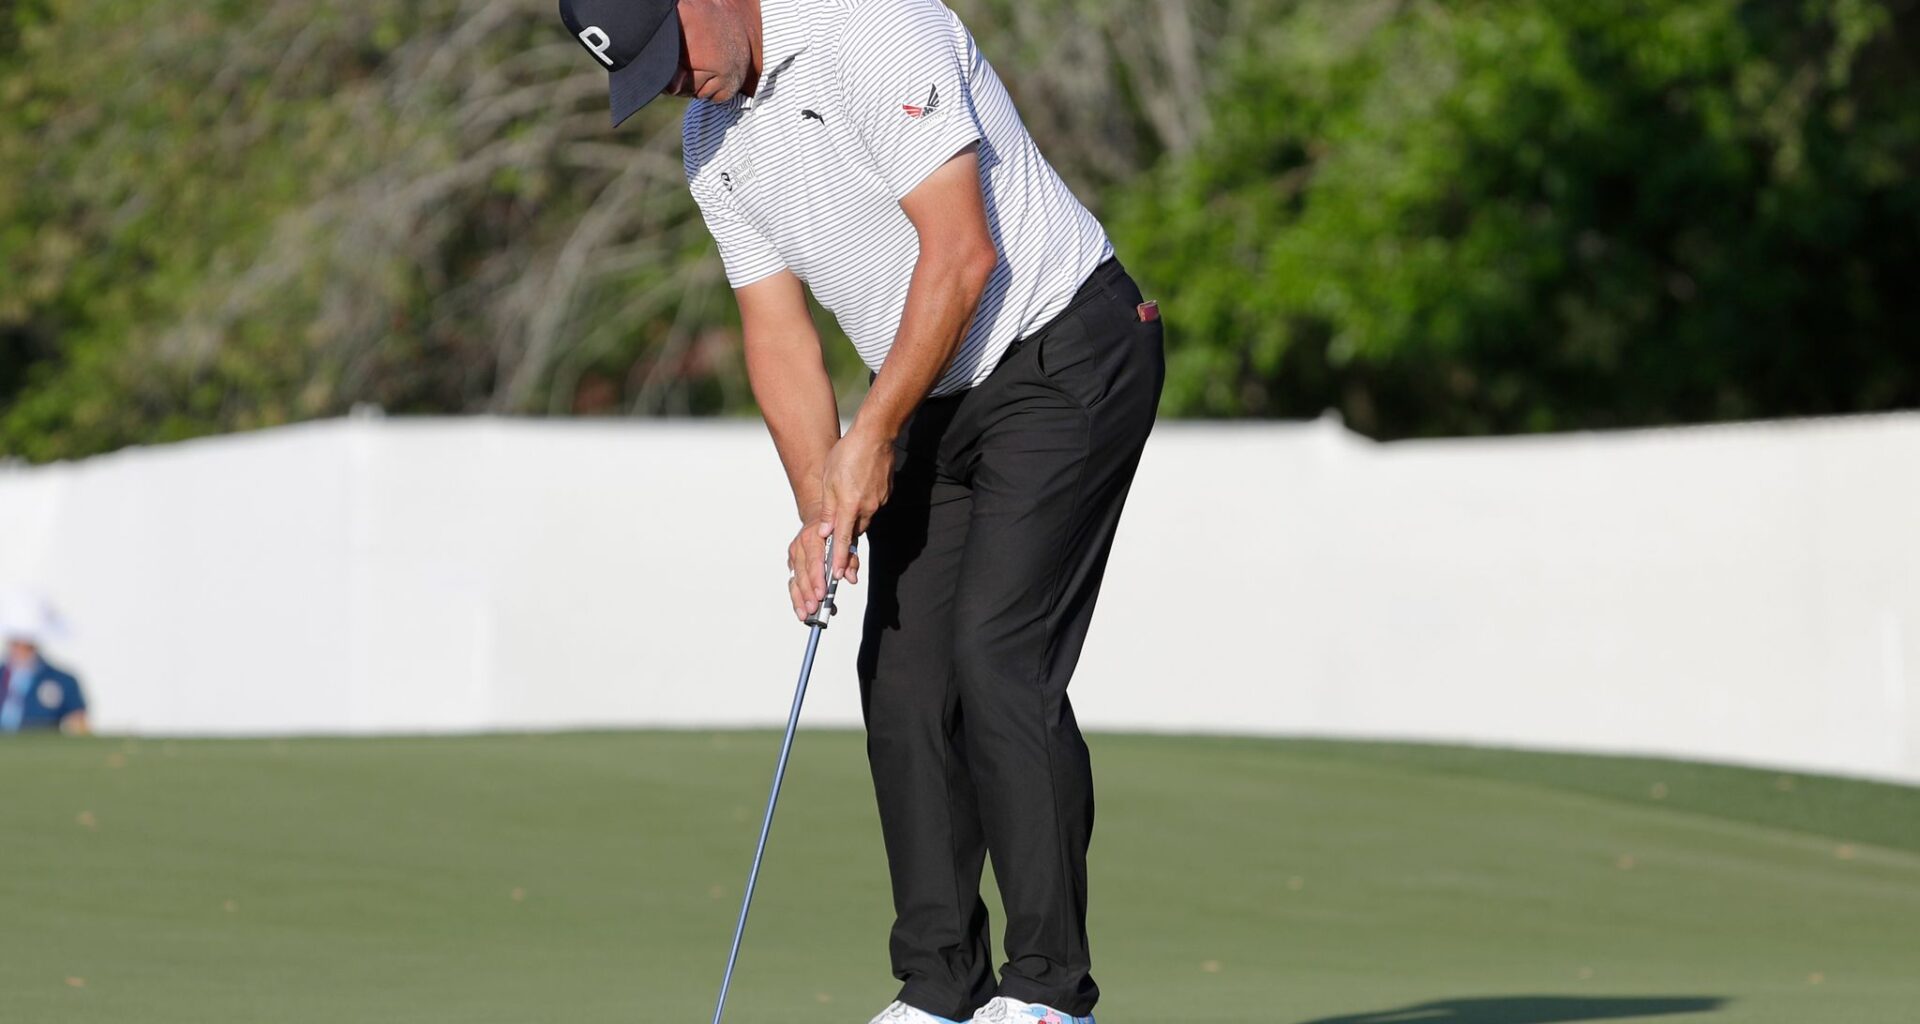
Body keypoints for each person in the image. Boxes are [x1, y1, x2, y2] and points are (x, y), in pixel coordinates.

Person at [556, 1, 1163, 1020]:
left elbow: (962, 253)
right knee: (901, 676)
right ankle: (938, 989)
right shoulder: (712, 143)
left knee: (997, 655)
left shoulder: (868, 25)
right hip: (934, 389)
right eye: (645, 77)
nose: (673, 85)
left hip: (1066, 351)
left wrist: (871, 432)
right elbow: (777, 333)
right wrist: (818, 507)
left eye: (672, 55)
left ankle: (1051, 993)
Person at [0, 634, 89, 736]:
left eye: (27, 646)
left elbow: (77, 720)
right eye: (16, 644)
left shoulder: (61, 680)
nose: (20, 650)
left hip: (41, 744)